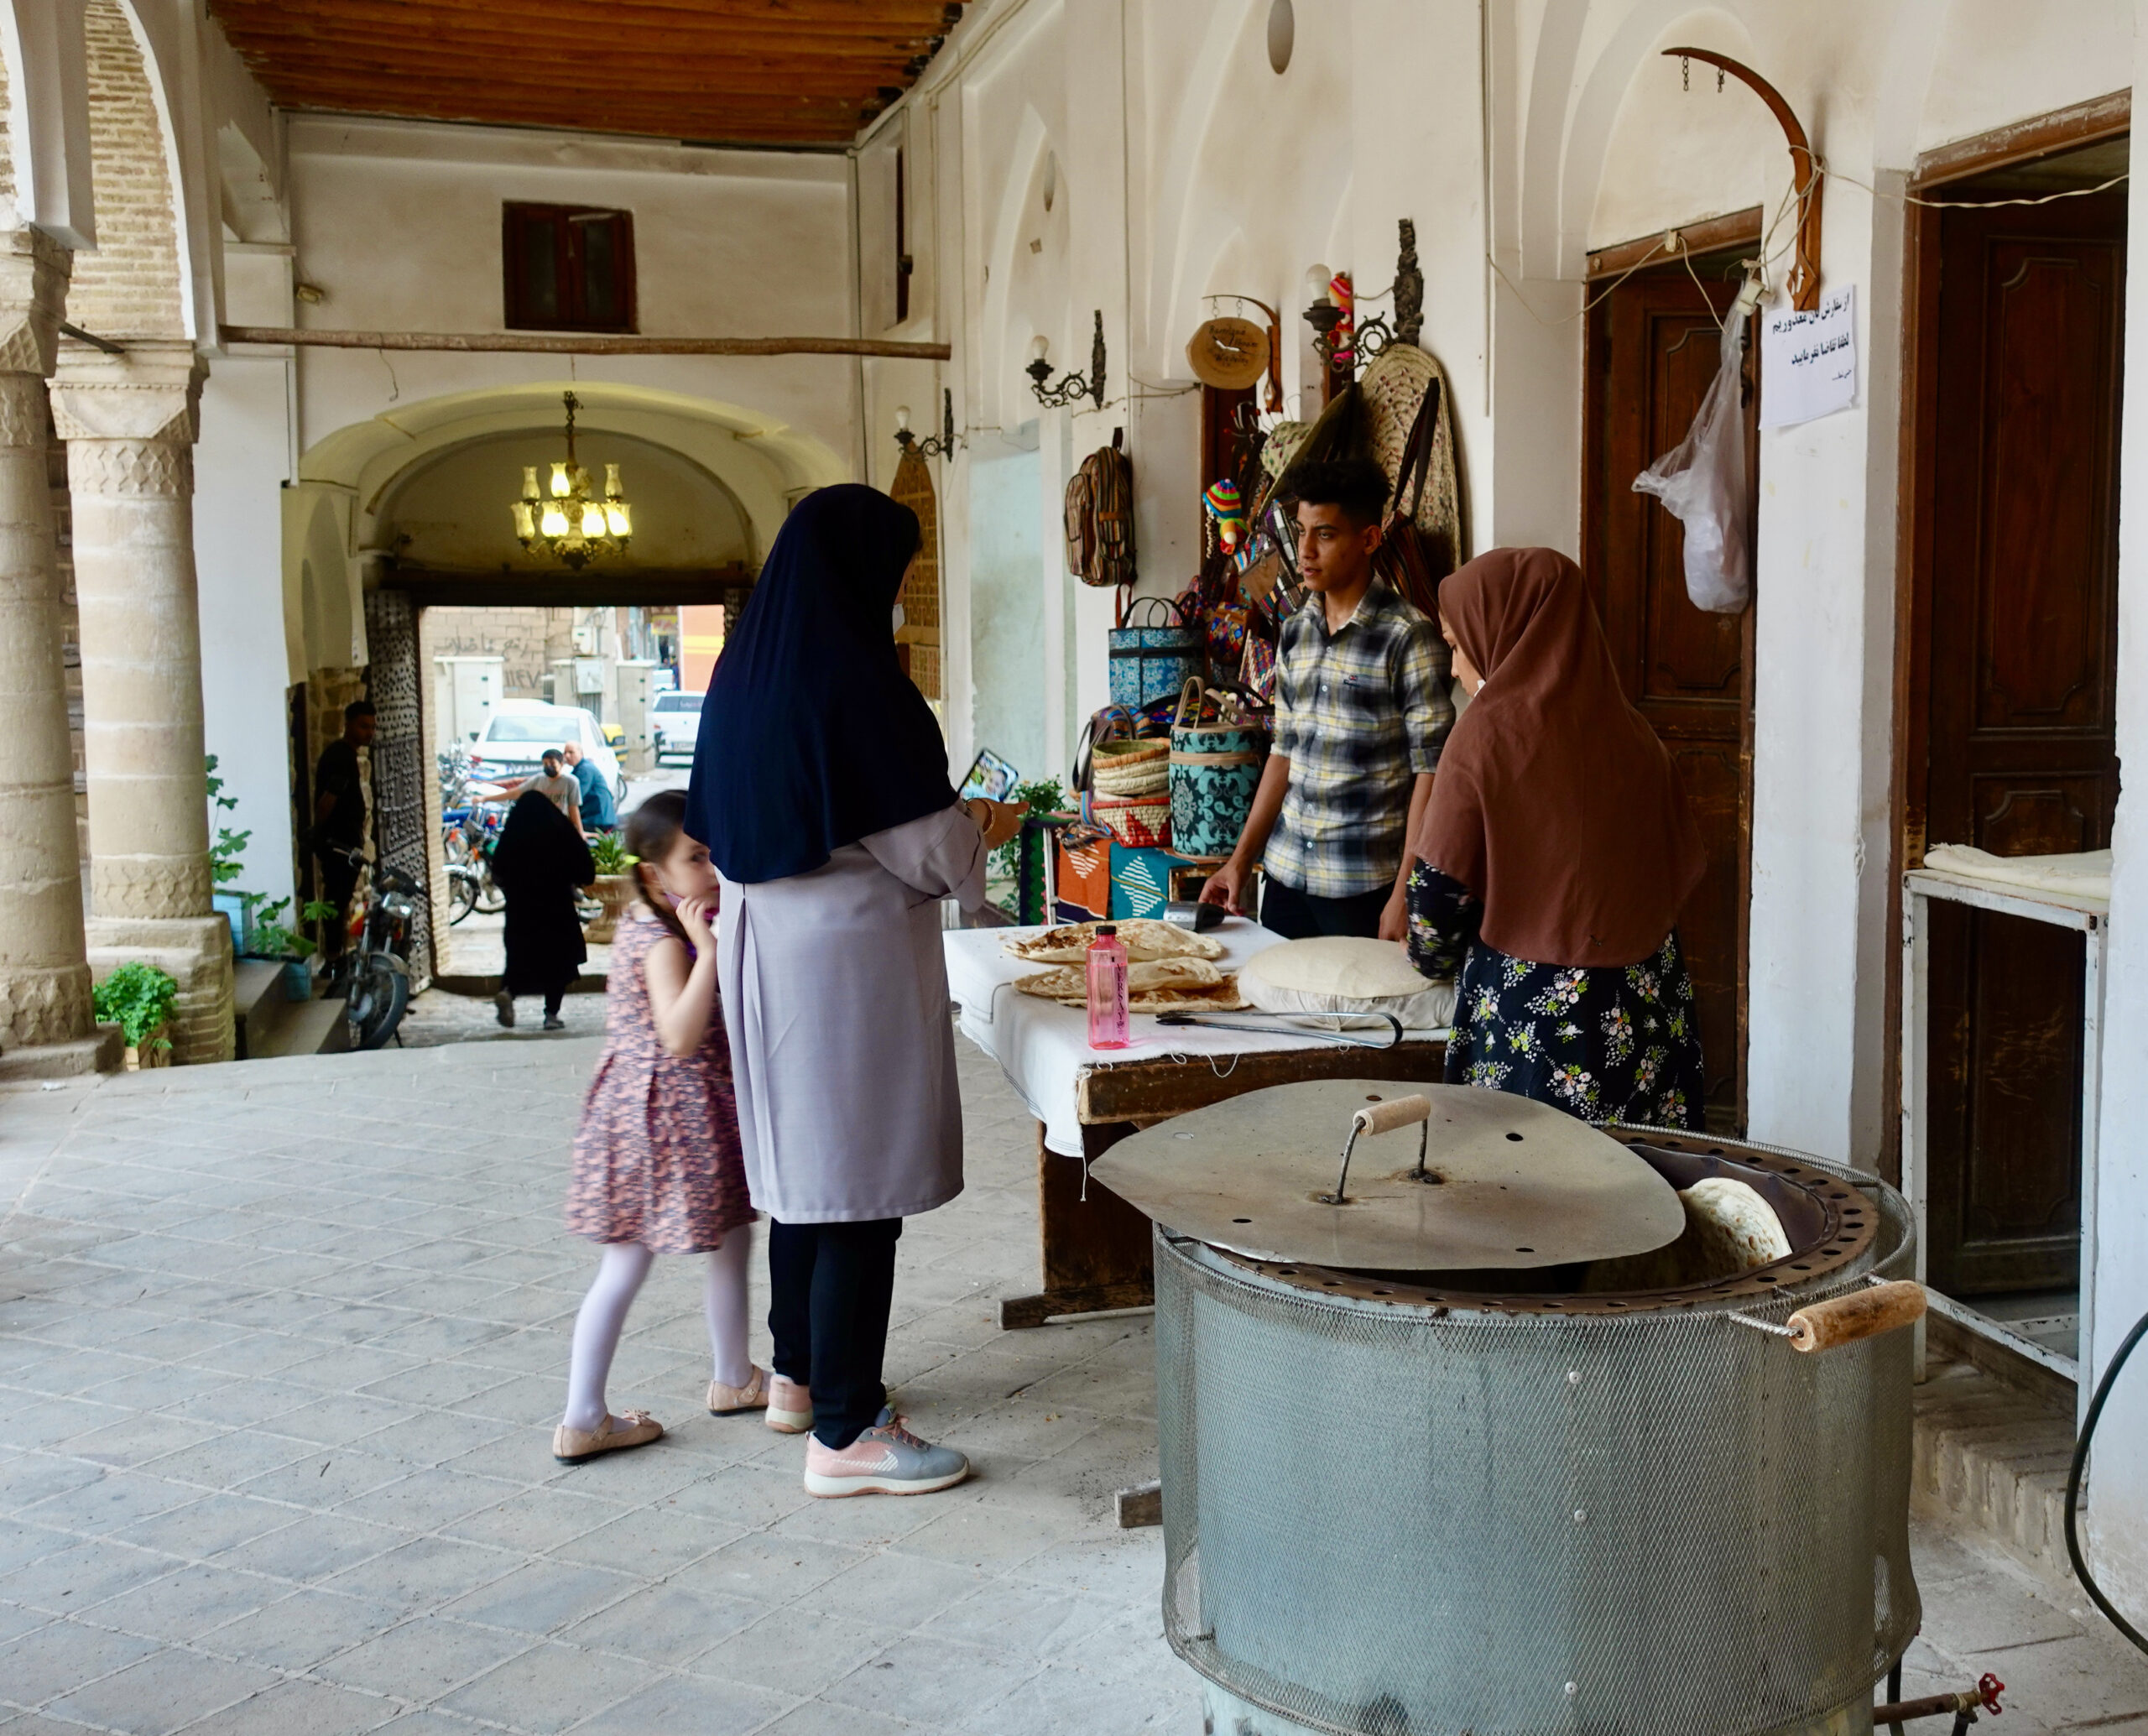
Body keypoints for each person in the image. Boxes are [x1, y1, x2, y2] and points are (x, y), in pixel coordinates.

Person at [689, 483, 1025, 1499]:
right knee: (858, 1194)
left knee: (803, 1182)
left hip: (767, 950)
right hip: (843, 965)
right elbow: (927, 844)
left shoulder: (744, 674)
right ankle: (847, 1429)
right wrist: (979, 839)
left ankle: (797, 1376)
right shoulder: (859, 684)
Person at [1403, 547, 1708, 1128]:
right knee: (1642, 1193)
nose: (1452, 667)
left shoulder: (1484, 739)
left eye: (1455, 644)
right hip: (1649, 1013)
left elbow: (1437, 908)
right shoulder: (1638, 736)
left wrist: (1427, 952)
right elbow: (1673, 872)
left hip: (1538, 1026)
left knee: (1532, 1198)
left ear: (1504, 632)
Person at [554, 790, 760, 1462]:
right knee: (650, 1259)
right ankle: (588, 1413)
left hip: (642, 1113)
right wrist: (706, 949)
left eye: (716, 854)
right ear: (653, 874)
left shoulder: (648, 925)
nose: (713, 870)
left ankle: (732, 1375)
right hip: (670, 1118)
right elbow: (677, 1034)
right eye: (697, 858)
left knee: (718, 1242)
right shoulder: (668, 942)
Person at [1200, 457, 1452, 941]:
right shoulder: (1296, 631)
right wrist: (1239, 862)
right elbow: (1283, 755)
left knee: (1357, 1019)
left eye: (1327, 534)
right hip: (1286, 878)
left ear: (1369, 539)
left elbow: (1433, 774)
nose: (1306, 551)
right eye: (1301, 532)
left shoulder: (1408, 637)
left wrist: (1406, 894)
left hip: (1362, 889)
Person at [489, 789, 594, 1032]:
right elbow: (585, 868)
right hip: (556, 909)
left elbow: (498, 870)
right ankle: (551, 1015)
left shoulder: (513, 834)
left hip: (520, 911)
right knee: (557, 962)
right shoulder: (559, 830)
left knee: (519, 958)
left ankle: (509, 992)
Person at [310, 700, 375, 960]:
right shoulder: (340, 756)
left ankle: (337, 953)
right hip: (338, 845)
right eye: (363, 726)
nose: (369, 732)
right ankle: (334, 957)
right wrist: (319, 831)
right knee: (336, 901)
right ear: (347, 724)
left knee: (342, 900)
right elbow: (329, 798)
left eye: (372, 727)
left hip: (345, 843)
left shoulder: (347, 754)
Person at [487, 749, 584, 835]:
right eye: (545, 764)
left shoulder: (571, 782)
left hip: (559, 827)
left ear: (561, 764)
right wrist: (486, 798)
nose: (548, 767)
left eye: (552, 763)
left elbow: (573, 809)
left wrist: (580, 832)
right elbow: (516, 793)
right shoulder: (538, 779)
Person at [561, 739, 618, 834]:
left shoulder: (585, 770)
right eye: (565, 753)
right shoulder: (580, 768)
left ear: (581, 753)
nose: (567, 756)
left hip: (597, 819)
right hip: (592, 816)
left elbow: (575, 798)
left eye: (571, 752)